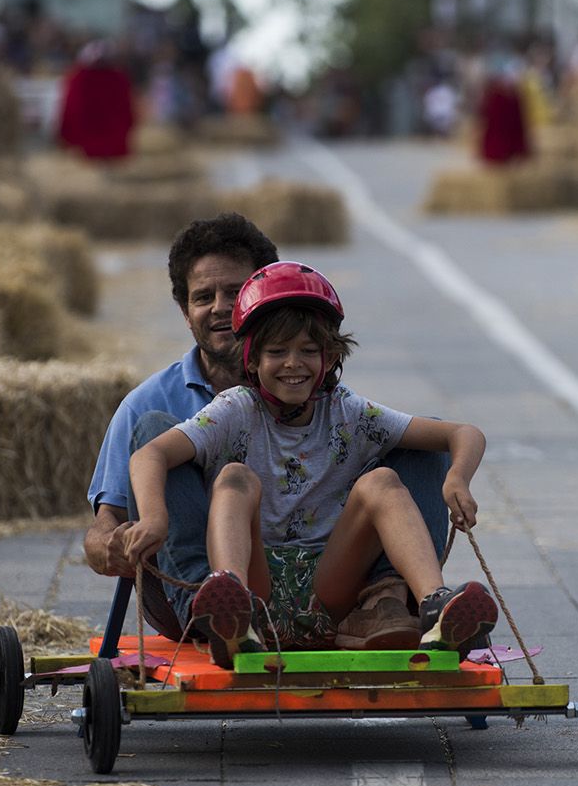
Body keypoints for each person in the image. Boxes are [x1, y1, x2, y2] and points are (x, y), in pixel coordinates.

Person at [84, 216, 453, 651]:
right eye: (203, 297)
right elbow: (104, 525)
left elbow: (452, 436)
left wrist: (458, 478)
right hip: (204, 585)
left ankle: (391, 603)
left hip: (327, 581)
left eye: (235, 293)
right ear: (185, 312)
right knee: (160, 438)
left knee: (418, 445)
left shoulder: (333, 403)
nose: (221, 307)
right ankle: (216, 610)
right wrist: (113, 544)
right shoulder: (149, 403)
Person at [121, 262, 499, 668]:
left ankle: (435, 608)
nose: (293, 364)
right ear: (251, 360)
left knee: (383, 481)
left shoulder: (348, 410)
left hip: (330, 590)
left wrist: (458, 479)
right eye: (277, 352)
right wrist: (155, 519)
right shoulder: (233, 410)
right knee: (234, 477)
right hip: (257, 587)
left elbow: (463, 432)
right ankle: (232, 616)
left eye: (308, 351)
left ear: (329, 356)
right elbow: (150, 453)